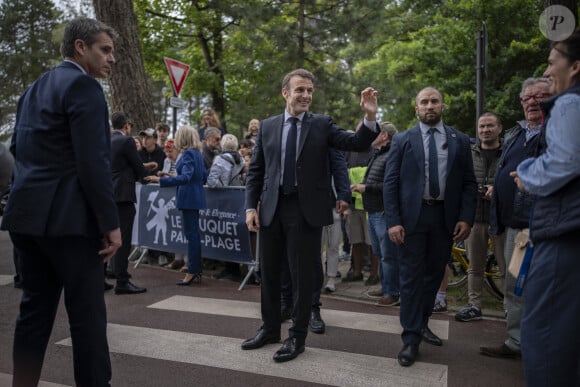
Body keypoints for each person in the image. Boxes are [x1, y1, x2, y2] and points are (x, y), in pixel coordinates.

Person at [0, 17, 121, 386]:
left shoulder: (33, 90)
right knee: (87, 318)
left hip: (26, 220)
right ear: (80, 47)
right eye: (105, 49)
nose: (112, 59)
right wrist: (110, 224)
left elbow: (17, 151)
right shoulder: (84, 88)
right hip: (71, 223)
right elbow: (93, 163)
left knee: (33, 313)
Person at [242, 68, 379, 363]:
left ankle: (297, 337)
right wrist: (250, 207)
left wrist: (369, 118)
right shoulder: (267, 126)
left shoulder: (322, 125)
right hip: (271, 209)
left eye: (309, 91)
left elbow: (356, 143)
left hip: (305, 212)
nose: (306, 96)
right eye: (300, 90)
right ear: (285, 93)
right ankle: (269, 329)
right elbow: (256, 172)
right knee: (269, 273)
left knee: (303, 277)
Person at [384, 87, 476, 367]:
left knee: (433, 277)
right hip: (412, 219)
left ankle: (421, 323)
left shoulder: (459, 141)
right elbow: (391, 182)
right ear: (416, 109)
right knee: (411, 278)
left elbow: (469, 183)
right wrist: (394, 221)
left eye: (434, 101)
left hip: (444, 219)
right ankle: (411, 339)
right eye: (424, 102)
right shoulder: (402, 140)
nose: (429, 106)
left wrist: (466, 217)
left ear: (443, 106)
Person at [513, 28, 580, 387]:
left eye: (554, 62)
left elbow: (564, 161)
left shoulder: (570, 103)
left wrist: (526, 174)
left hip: (563, 235)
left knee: (544, 334)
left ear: (576, 66)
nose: (548, 70)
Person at [481, 77, 551, 359]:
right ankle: (517, 343)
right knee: (515, 284)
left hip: (544, 224)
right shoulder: (516, 134)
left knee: (544, 288)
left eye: (540, 96)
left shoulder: (559, 130)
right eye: (527, 98)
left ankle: (542, 347)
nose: (532, 102)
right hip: (517, 226)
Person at [455, 112, 505, 321]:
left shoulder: (507, 151)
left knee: (505, 267)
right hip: (474, 217)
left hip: (500, 218)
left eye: (490, 126)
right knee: (474, 267)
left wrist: (498, 189)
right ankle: (474, 305)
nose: (485, 130)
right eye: (482, 126)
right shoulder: (469, 152)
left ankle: (510, 308)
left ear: (499, 128)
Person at [145, 125, 207, 286]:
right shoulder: (197, 154)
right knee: (194, 235)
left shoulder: (187, 154)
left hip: (188, 198)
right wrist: (172, 176)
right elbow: (200, 176)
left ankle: (193, 271)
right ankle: (196, 270)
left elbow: (186, 178)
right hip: (196, 197)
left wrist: (161, 180)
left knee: (191, 235)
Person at [353, 121, 401, 307]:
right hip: (373, 211)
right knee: (380, 253)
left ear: (383, 136)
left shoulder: (391, 155)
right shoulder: (379, 154)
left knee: (388, 254)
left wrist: (366, 188)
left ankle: (393, 292)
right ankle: (386, 286)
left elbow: (391, 186)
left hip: (383, 211)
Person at [110, 111, 157, 295]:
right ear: (127, 126)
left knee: (105, 235)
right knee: (123, 237)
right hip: (123, 194)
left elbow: (119, 164)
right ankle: (122, 280)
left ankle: (102, 276)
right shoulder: (126, 141)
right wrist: (149, 175)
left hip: (108, 193)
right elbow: (136, 166)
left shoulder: (105, 140)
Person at [207, 133, 245, 281]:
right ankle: (232, 269)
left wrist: (222, 187)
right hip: (238, 200)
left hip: (223, 201)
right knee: (234, 235)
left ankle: (231, 271)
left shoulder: (219, 159)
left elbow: (212, 181)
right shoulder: (241, 159)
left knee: (225, 235)